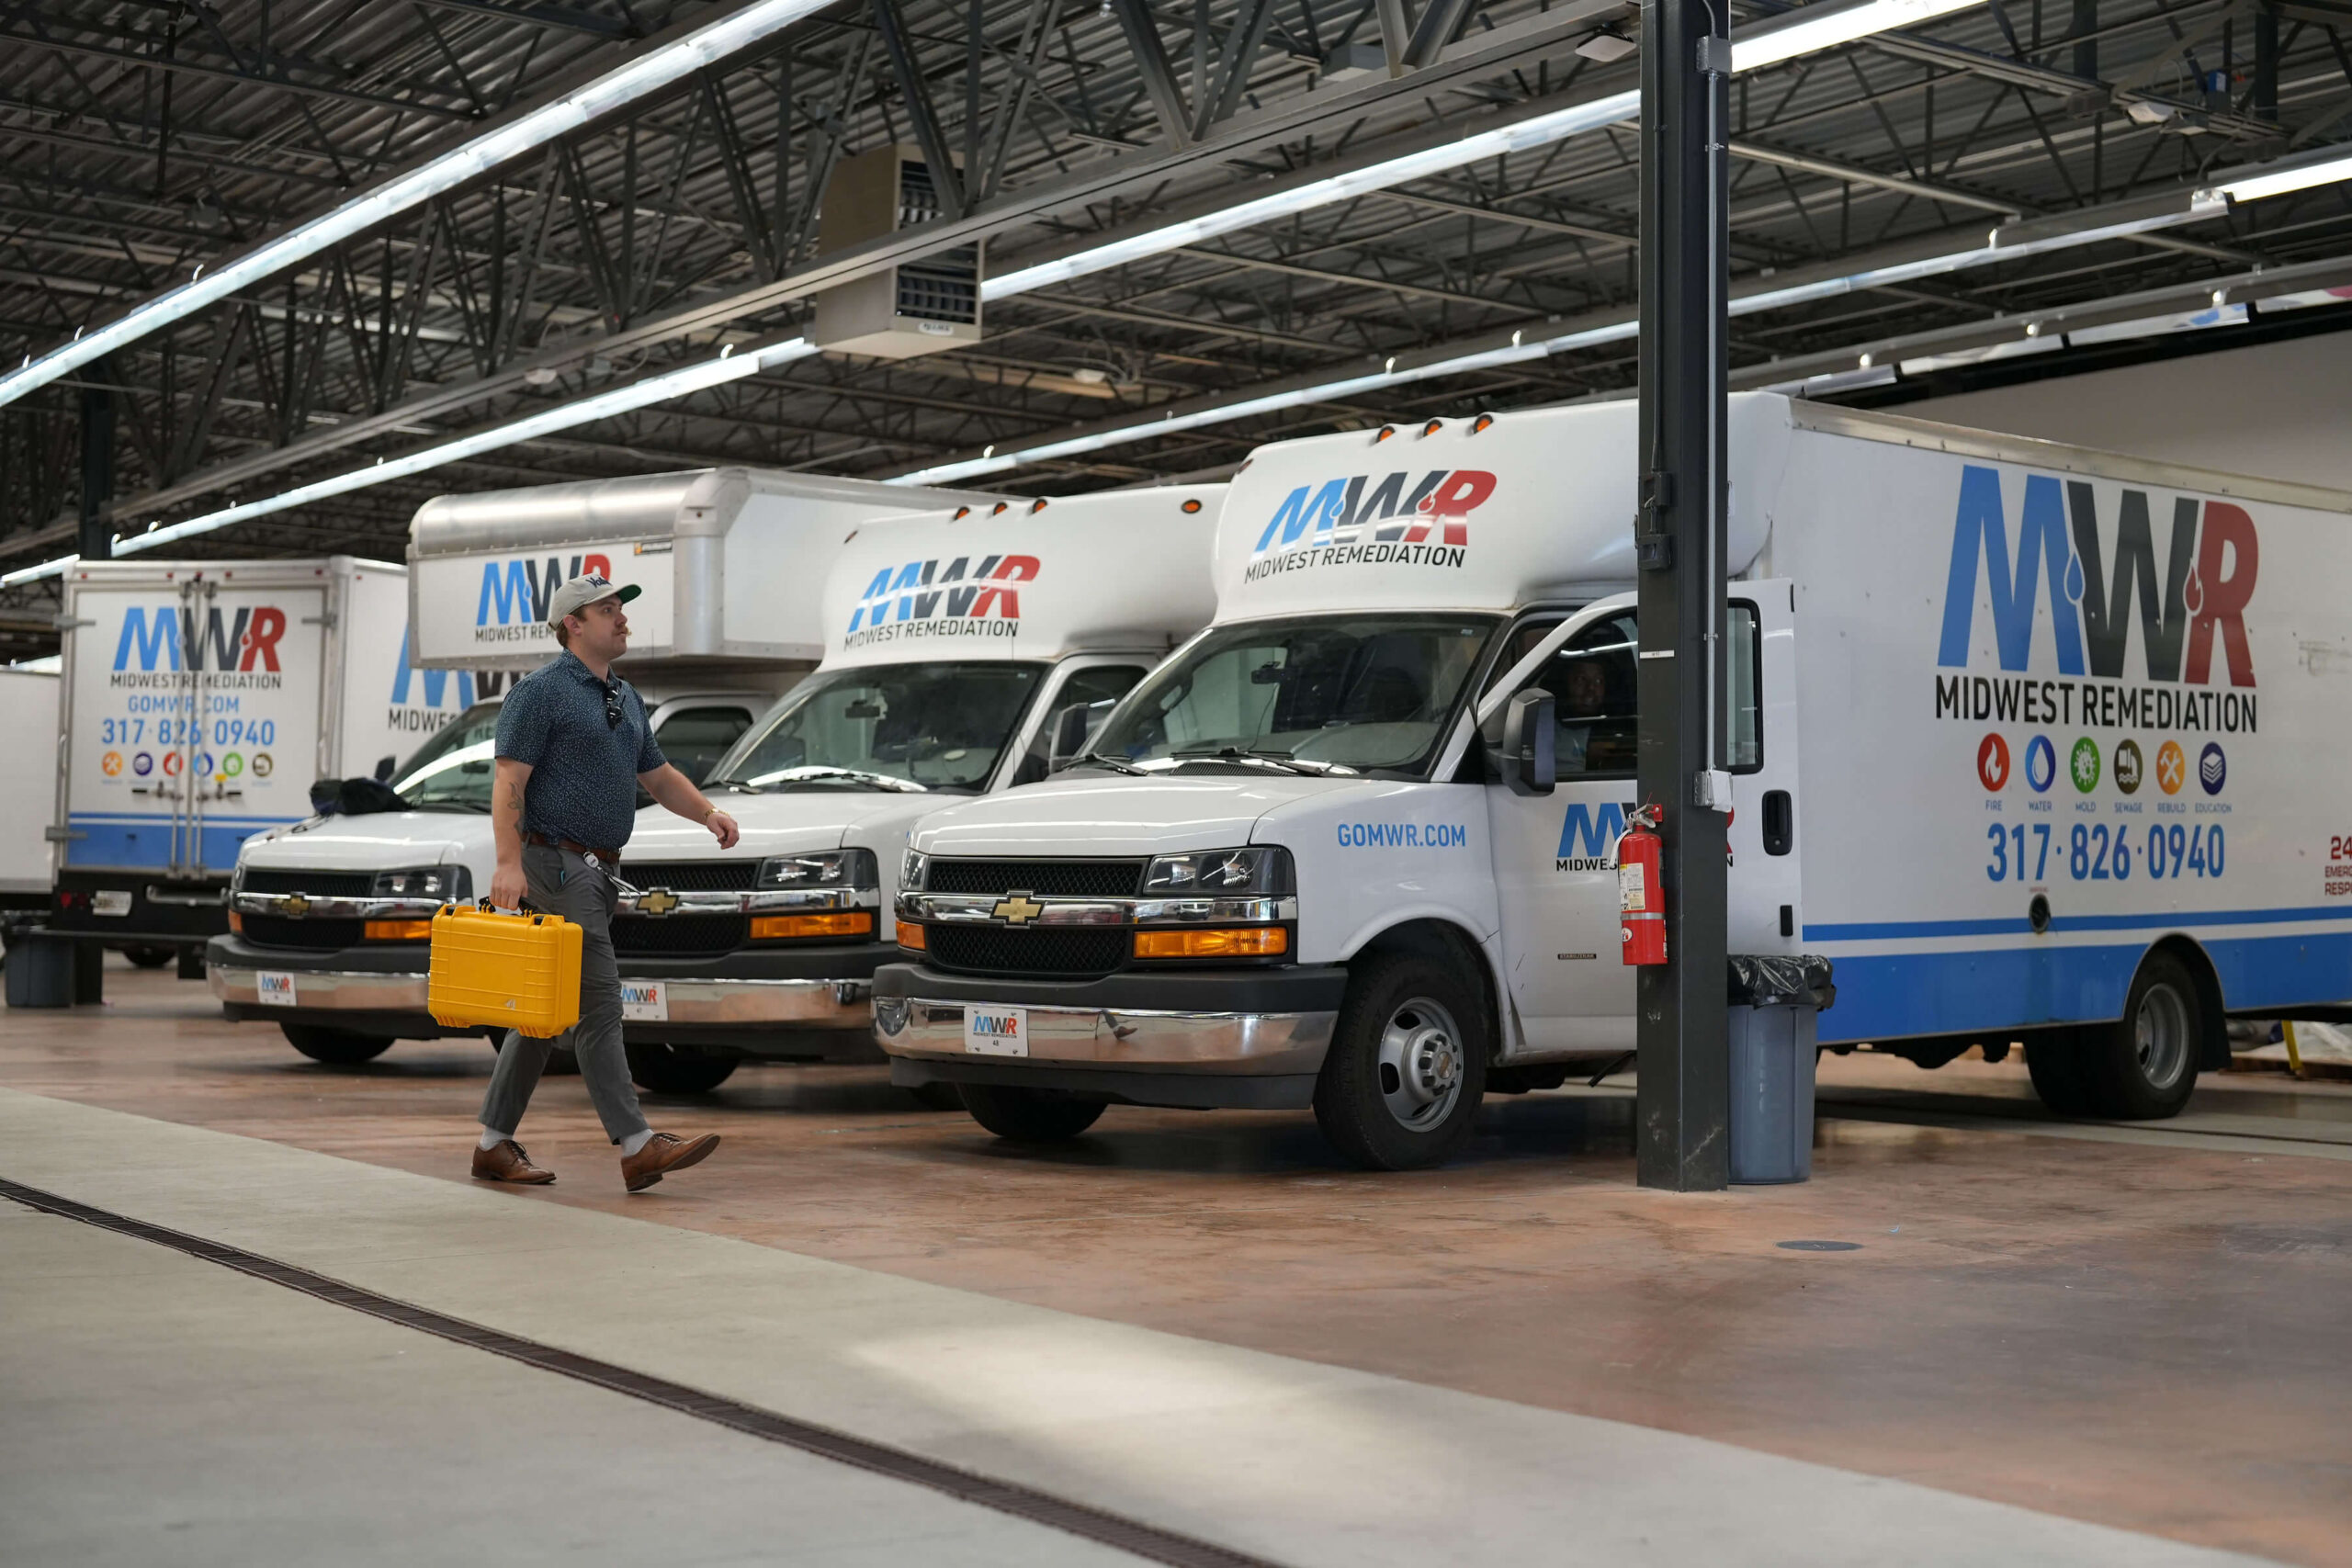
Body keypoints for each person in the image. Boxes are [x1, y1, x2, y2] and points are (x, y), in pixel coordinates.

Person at [470, 573, 742, 1192]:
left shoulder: (622, 696)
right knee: (598, 1006)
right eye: (608, 609)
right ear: (574, 623)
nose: (622, 619)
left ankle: (492, 1144)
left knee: (543, 1013)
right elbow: (510, 781)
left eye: (621, 609)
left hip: (595, 871)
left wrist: (707, 813)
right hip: (555, 866)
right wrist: (507, 863)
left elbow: (658, 773)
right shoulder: (540, 693)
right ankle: (637, 1144)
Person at [1556, 657, 1609, 773]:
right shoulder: (1544, 728)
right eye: (1581, 679)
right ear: (1566, 683)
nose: (1591, 688)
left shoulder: (1614, 732)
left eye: (1599, 681)